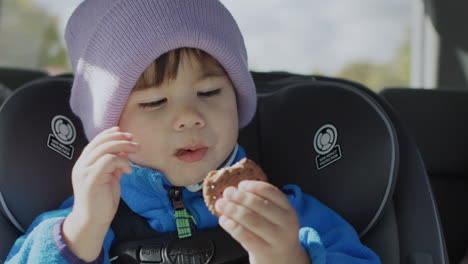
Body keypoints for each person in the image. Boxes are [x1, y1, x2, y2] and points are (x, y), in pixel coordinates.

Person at [5, 0, 381, 263]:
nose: (189, 117)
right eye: (154, 102)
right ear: (109, 126)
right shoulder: (80, 220)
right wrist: (80, 236)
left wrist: (288, 257)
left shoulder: (288, 214)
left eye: (209, 93)